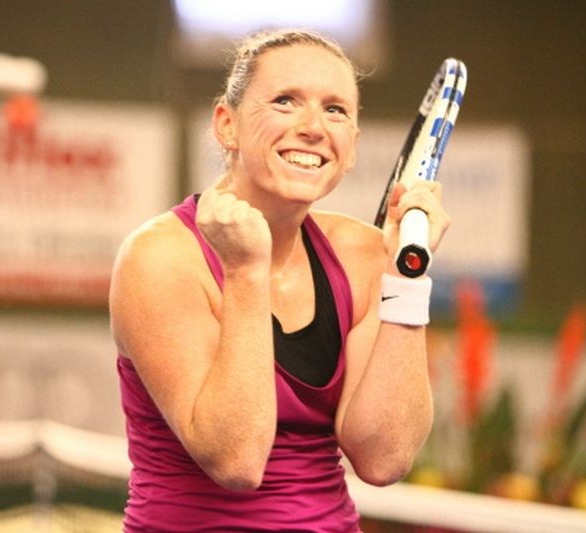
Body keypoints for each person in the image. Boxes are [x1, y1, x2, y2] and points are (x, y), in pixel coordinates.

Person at [109, 28, 450, 532]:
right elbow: (236, 460)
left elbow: (383, 460)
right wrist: (246, 272)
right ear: (227, 124)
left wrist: (407, 279)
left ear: (351, 147)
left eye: (336, 110)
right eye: (286, 101)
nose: (313, 127)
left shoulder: (361, 254)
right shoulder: (158, 258)